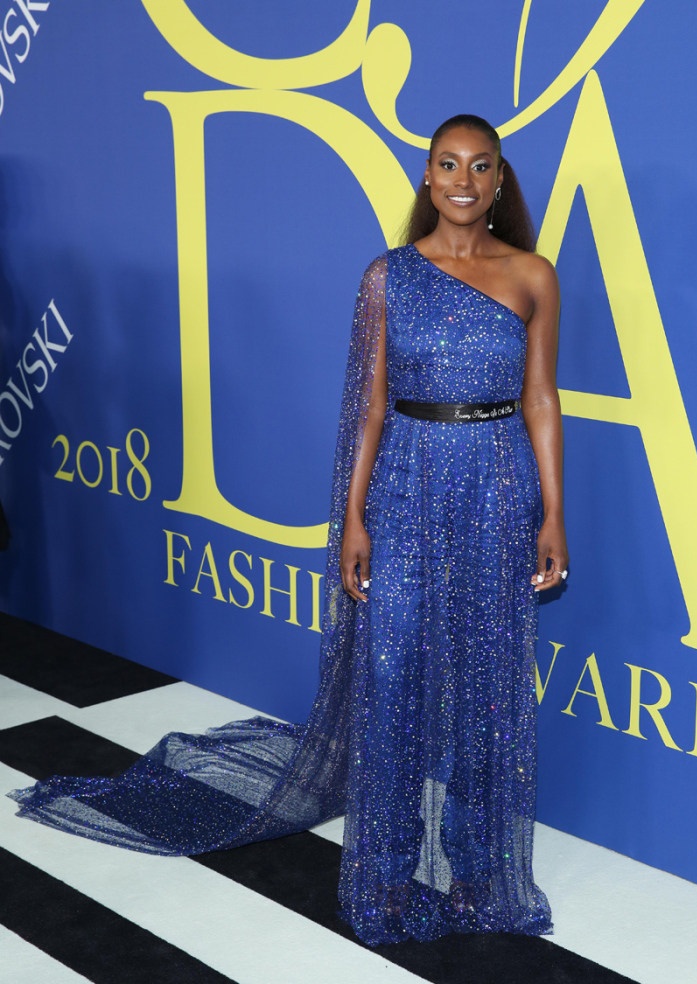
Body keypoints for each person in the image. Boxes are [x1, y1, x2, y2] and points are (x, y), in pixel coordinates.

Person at [9, 114, 567, 947]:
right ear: (426, 177)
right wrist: (351, 519)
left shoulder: (533, 275)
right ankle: (383, 876)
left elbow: (542, 401)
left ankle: (483, 874)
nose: (462, 179)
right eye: (446, 163)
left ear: (497, 180)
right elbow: (371, 407)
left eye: (479, 166)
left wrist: (555, 511)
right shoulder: (388, 277)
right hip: (406, 486)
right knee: (393, 686)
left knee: (485, 686)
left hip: (498, 483)